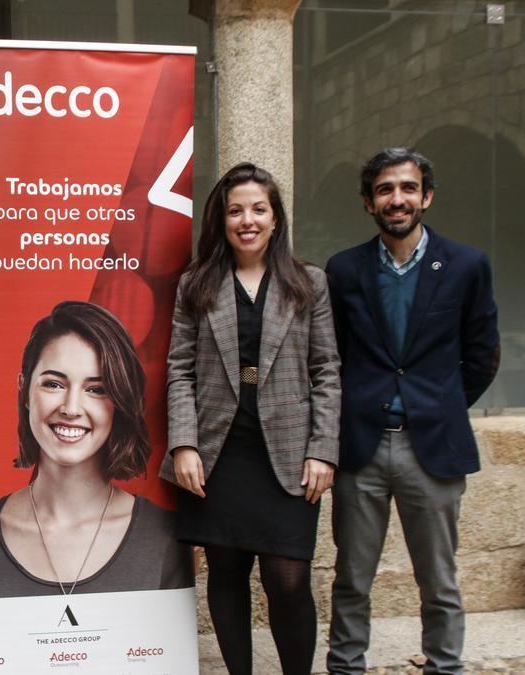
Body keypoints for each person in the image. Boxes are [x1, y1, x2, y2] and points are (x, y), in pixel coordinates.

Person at [162, 163, 340, 675]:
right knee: (226, 570)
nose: (247, 219)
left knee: (288, 579)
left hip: (287, 455)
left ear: (275, 217)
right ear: (221, 219)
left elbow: (327, 370)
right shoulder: (197, 283)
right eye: (235, 210)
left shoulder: (309, 283)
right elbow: (180, 371)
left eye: (258, 209)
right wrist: (184, 444)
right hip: (219, 453)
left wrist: (323, 448)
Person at [326, 148, 499, 675]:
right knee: (353, 576)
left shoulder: (467, 265)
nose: (395, 198)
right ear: (367, 202)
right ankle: (345, 666)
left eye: (406, 188)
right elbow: (333, 357)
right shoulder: (343, 269)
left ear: (425, 196)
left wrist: (440, 405)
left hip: (434, 447)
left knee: (439, 579)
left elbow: (482, 354)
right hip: (362, 446)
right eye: (384, 189)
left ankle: (444, 667)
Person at [0, 300, 192, 601]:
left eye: (96, 389)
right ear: (25, 389)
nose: (71, 408)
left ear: (120, 403)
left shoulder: (165, 536)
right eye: (54, 384)